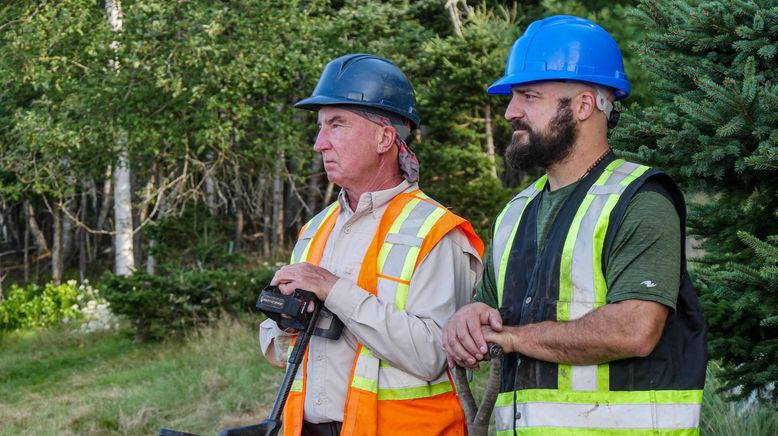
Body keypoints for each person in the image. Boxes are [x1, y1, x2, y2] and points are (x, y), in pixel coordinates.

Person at [442, 15, 707, 435]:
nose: (511, 111)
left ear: (584, 106)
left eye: (529, 95)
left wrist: (513, 338)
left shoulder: (640, 199)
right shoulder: (516, 212)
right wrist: (471, 316)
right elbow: (491, 311)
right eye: (513, 97)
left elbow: (636, 328)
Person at [260, 53, 484, 436]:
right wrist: (284, 319)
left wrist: (334, 291)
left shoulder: (435, 231)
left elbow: (432, 355)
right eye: (319, 127)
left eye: (337, 125)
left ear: (384, 138)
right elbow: (273, 339)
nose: (319, 144)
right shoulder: (316, 228)